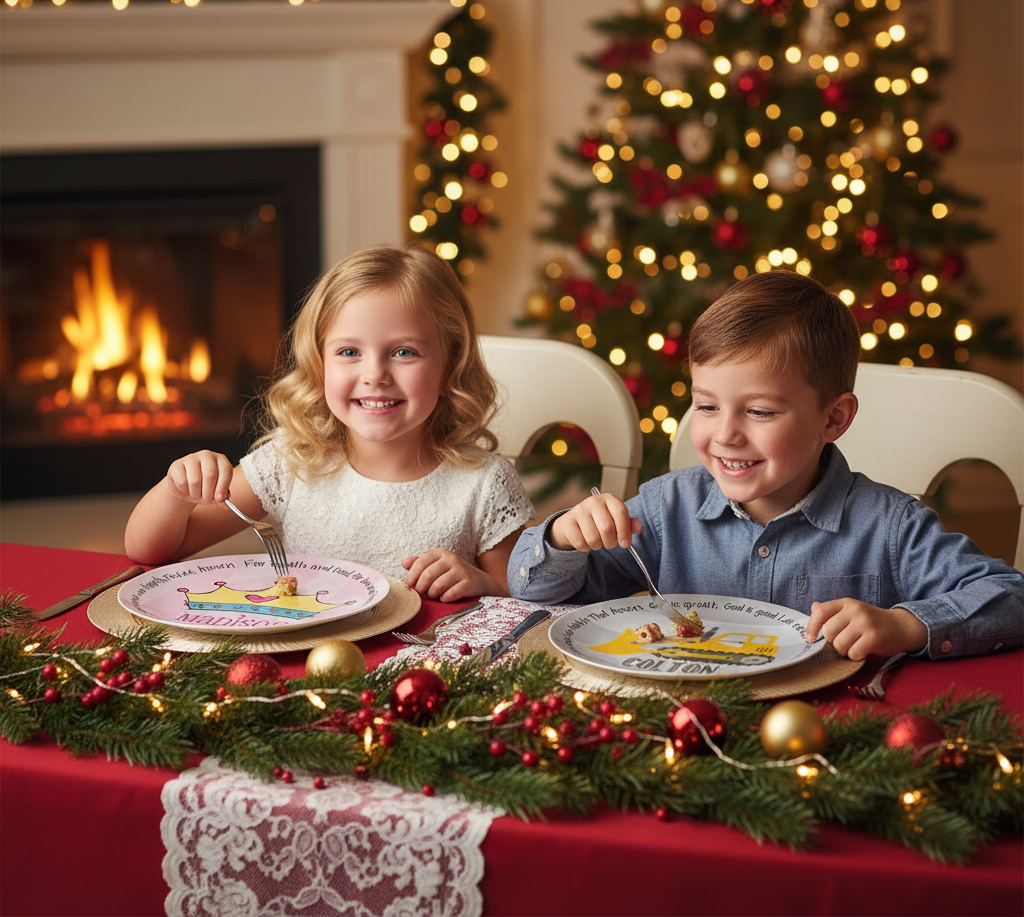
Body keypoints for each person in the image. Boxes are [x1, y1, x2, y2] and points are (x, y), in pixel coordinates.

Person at [508, 270, 1024, 660]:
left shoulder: (890, 528)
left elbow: (1010, 597)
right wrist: (560, 540)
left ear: (833, 418)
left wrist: (907, 625)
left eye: (759, 411)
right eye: (707, 406)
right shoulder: (668, 508)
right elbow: (534, 589)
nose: (726, 434)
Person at [126, 244, 533, 601]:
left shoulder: (483, 484)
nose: (375, 374)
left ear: (450, 367)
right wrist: (176, 493)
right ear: (320, 365)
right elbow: (151, 550)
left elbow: (521, 597)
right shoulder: (291, 463)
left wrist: (481, 584)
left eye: (405, 352)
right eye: (349, 352)